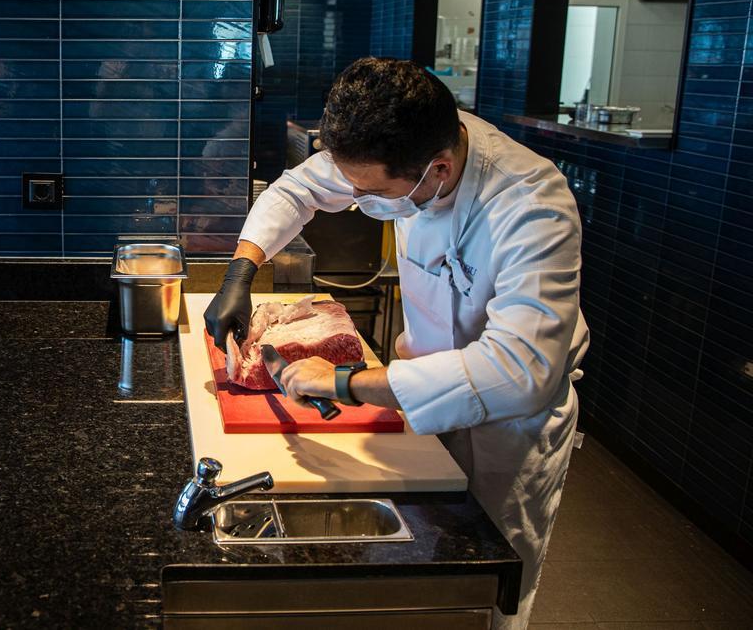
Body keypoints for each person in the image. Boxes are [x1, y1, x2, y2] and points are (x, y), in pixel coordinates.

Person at [205, 57, 589, 629]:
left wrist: (343, 382)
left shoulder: (532, 206)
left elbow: (517, 369)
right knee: (414, 569)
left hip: (511, 429)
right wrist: (241, 271)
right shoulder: (398, 147)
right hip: (416, 390)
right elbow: (298, 189)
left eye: (371, 192)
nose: (357, 198)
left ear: (438, 169)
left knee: (484, 586)